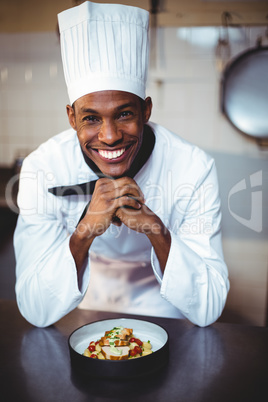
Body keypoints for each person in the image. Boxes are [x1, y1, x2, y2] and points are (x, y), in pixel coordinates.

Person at [14, 1, 229, 328]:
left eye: (124, 114)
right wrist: (85, 230)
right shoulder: (43, 167)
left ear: (146, 110)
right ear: (71, 117)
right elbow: (34, 308)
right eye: (90, 118)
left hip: (168, 311)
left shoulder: (193, 168)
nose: (110, 136)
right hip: (77, 309)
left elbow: (209, 306)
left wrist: (155, 229)